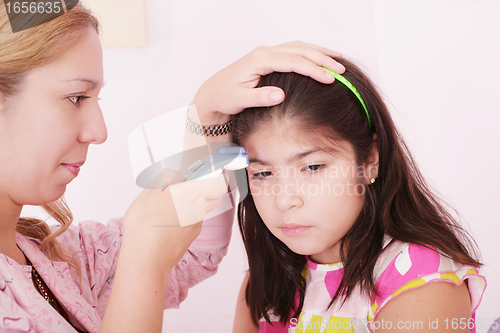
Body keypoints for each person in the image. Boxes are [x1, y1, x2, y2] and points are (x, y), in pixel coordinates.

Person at [0, 2, 346, 333]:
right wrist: (144, 261)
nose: (99, 132)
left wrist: (208, 115)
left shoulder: (58, 258)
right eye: (76, 97)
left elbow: (193, 251)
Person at [231, 58, 486, 332]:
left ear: (369, 161)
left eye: (313, 167)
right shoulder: (268, 278)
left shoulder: (420, 282)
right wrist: (206, 114)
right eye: (263, 174)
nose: (284, 200)